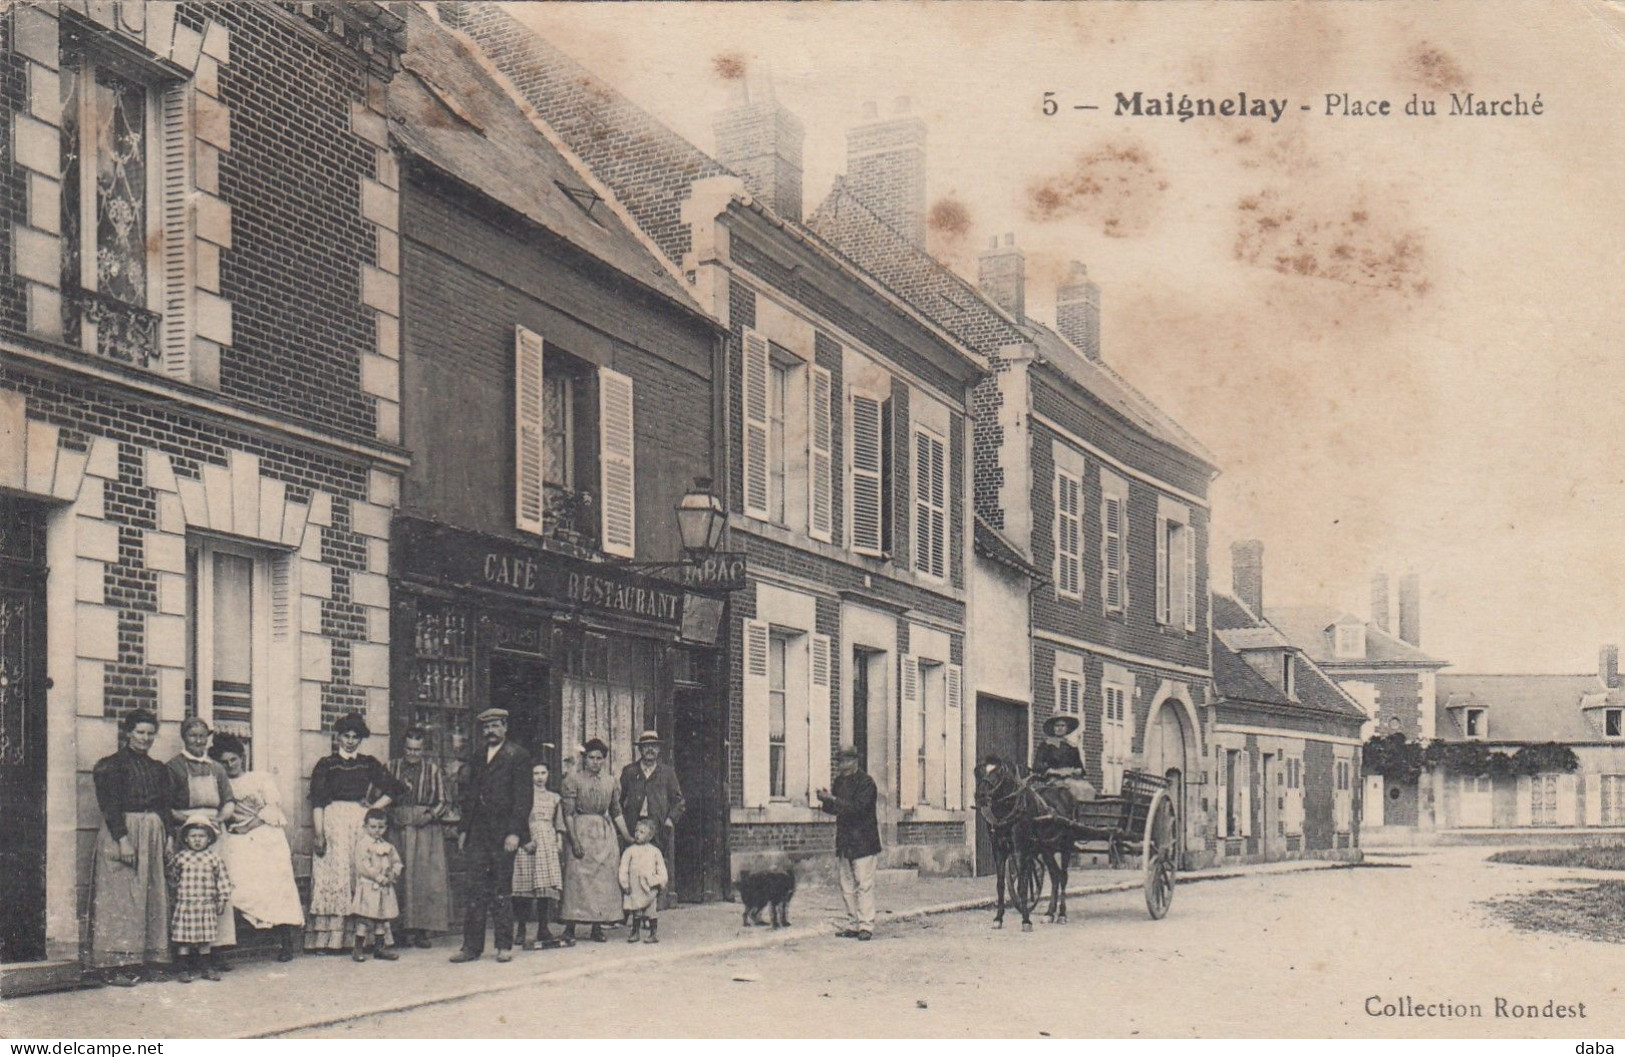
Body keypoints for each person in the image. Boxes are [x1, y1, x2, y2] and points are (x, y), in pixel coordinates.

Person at [88, 709, 176, 986]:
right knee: (122, 897)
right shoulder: (111, 765)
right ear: (128, 733)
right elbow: (110, 806)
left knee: (151, 895)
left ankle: (148, 960)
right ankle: (115, 965)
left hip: (153, 833)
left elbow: (164, 806)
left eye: (150, 733)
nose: (145, 738)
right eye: (140, 732)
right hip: (122, 832)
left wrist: (169, 837)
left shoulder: (158, 768)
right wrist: (123, 839)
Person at [306, 712, 406, 952]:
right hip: (333, 823)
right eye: (346, 736)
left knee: (360, 873)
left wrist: (373, 808)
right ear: (338, 737)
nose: (350, 741)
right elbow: (318, 801)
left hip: (360, 824)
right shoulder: (326, 764)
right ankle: (331, 941)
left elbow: (394, 789)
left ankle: (365, 940)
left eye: (355, 737)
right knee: (336, 875)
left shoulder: (368, 763)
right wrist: (319, 833)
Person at [210, 734, 304, 962]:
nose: (230, 765)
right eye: (225, 762)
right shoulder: (222, 783)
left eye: (234, 759)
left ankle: (285, 941)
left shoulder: (261, 778)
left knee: (277, 883)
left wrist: (249, 826)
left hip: (265, 833)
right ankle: (227, 944)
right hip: (237, 838)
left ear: (243, 758)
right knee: (238, 881)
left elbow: (273, 809)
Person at [449, 708, 531, 964]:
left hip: (503, 834)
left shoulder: (518, 755)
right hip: (478, 833)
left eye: (495, 726)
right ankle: (471, 947)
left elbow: (523, 798)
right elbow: (469, 796)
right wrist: (464, 829)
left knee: (500, 889)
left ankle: (503, 945)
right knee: (474, 889)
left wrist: (515, 833)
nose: (490, 732)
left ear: (505, 727)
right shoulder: (477, 756)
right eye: (486, 727)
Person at [167, 717, 238, 968]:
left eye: (202, 736)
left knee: (215, 889)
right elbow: (168, 806)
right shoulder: (174, 766)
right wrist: (191, 822)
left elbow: (229, 800)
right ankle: (187, 955)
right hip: (187, 833)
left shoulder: (217, 768)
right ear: (184, 737)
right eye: (193, 736)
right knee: (188, 892)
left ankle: (215, 951)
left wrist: (219, 819)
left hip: (215, 832)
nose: (198, 741)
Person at [559, 738, 630, 943]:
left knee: (602, 880)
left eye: (599, 758)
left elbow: (616, 812)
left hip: (603, 833)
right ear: (584, 758)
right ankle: (570, 927)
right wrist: (574, 841)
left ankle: (597, 927)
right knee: (577, 878)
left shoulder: (610, 781)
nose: (595, 762)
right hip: (581, 829)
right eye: (591, 758)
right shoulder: (573, 780)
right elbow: (568, 813)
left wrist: (626, 836)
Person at [387, 727, 451, 949]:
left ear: (423, 749)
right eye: (409, 749)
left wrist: (431, 815)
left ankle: (422, 930)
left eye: (417, 749)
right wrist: (389, 815)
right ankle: (399, 930)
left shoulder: (433, 770)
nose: (412, 753)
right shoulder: (390, 767)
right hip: (398, 827)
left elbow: (444, 800)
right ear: (403, 747)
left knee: (424, 879)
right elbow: (375, 796)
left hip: (425, 829)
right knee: (399, 876)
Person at [816, 744, 881, 941]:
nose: (841, 765)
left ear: (854, 761)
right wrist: (825, 801)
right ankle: (853, 923)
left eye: (844, 761)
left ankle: (866, 925)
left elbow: (858, 809)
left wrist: (833, 798)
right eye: (840, 761)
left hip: (864, 841)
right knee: (847, 886)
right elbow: (836, 810)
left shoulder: (867, 783)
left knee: (864, 884)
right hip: (845, 841)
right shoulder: (839, 782)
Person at [616, 730, 684, 910]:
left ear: (659, 750)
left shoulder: (667, 773)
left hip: (658, 827)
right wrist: (623, 823)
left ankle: (651, 910)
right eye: (646, 746)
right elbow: (618, 801)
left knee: (654, 868)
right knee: (632, 867)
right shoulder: (630, 771)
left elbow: (679, 801)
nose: (650, 750)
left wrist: (670, 819)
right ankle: (630, 910)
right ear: (640, 749)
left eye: (653, 746)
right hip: (634, 828)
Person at [168, 815, 233, 983]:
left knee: (205, 939)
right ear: (186, 839)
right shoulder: (181, 857)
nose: (197, 840)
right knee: (184, 939)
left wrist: (222, 899)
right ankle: (183, 969)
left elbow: (223, 880)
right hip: (186, 905)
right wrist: (174, 897)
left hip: (206, 905)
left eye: (201, 836)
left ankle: (206, 967)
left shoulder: (214, 858)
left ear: (209, 838)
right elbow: (172, 878)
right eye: (193, 836)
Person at [511, 759, 565, 951]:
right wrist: (524, 840)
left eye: (543, 773)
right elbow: (517, 818)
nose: (540, 777)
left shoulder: (554, 798)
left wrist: (558, 841)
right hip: (528, 841)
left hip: (547, 841)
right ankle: (522, 928)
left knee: (544, 886)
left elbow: (559, 823)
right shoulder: (523, 796)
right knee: (524, 885)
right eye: (536, 773)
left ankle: (543, 927)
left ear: (548, 775)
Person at [350, 809, 404, 963]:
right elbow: (363, 865)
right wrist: (378, 877)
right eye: (372, 827)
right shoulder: (363, 845)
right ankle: (358, 948)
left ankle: (379, 949)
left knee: (381, 918)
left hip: (384, 888)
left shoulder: (388, 846)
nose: (376, 831)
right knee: (365, 919)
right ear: (365, 827)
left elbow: (397, 862)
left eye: (380, 827)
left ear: (385, 828)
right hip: (369, 888)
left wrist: (393, 873)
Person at [1032, 715, 1095, 817]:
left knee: (1088, 789)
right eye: (1057, 725)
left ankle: (1084, 818)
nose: (1060, 728)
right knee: (1065, 792)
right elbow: (1037, 765)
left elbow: (1080, 767)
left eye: (1063, 725)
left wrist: (1077, 770)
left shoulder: (1072, 747)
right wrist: (1051, 771)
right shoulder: (1045, 745)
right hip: (1053, 780)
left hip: (1071, 779)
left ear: (1067, 728)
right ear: (1053, 728)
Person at [618, 819, 668, 944]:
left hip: (649, 888)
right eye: (636, 831)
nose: (637, 834)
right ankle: (635, 932)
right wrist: (625, 884)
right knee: (636, 910)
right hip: (635, 887)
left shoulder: (655, 852)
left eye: (642, 832)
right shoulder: (630, 851)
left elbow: (661, 869)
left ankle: (653, 933)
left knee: (651, 911)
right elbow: (623, 868)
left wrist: (660, 882)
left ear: (650, 836)